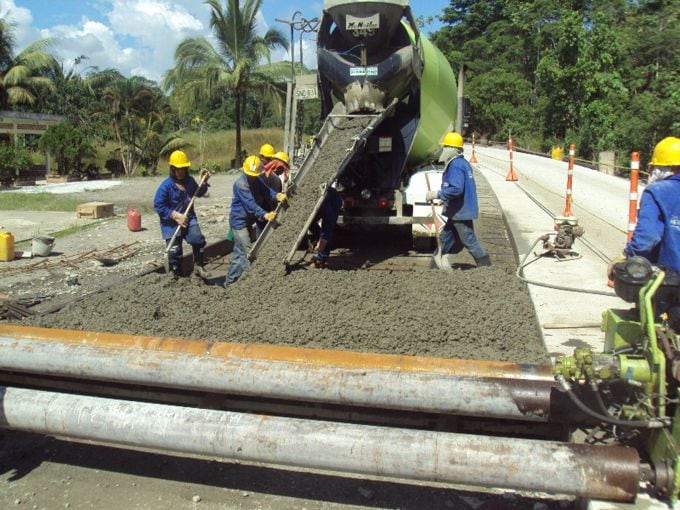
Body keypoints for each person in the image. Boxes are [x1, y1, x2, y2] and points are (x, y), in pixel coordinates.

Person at [615, 136, 680, 274]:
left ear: (669, 167)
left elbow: (648, 237)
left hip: (671, 282)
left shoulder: (657, 191)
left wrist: (627, 256)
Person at [425, 131, 491, 267]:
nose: (443, 150)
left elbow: (456, 189)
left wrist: (437, 194)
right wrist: (445, 199)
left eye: (446, 147)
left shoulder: (455, 165)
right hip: (459, 209)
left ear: (453, 149)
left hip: (460, 211)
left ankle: (485, 265)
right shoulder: (463, 163)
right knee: (445, 237)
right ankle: (436, 265)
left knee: (468, 239)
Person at [226, 155, 287, 285]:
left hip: (247, 221)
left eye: (254, 175)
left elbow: (266, 191)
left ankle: (229, 283)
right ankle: (250, 284)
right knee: (249, 253)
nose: (252, 177)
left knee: (238, 255)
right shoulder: (241, 184)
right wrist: (265, 214)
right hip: (239, 223)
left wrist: (276, 195)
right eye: (250, 175)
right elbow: (250, 205)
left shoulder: (256, 180)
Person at [153, 150, 210, 279]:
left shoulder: (189, 181)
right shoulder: (165, 187)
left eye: (183, 169)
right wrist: (175, 215)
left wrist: (204, 182)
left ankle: (198, 266)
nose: (181, 172)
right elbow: (159, 206)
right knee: (174, 253)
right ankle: (177, 275)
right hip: (171, 224)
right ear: (172, 169)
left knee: (198, 239)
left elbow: (198, 192)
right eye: (177, 169)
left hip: (189, 219)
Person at [308, 184, 342, 268]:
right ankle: (318, 241)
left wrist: (323, 239)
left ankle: (321, 258)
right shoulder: (306, 200)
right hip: (322, 202)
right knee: (310, 224)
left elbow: (329, 222)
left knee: (327, 229)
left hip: (334, 202)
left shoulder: (323, 203)